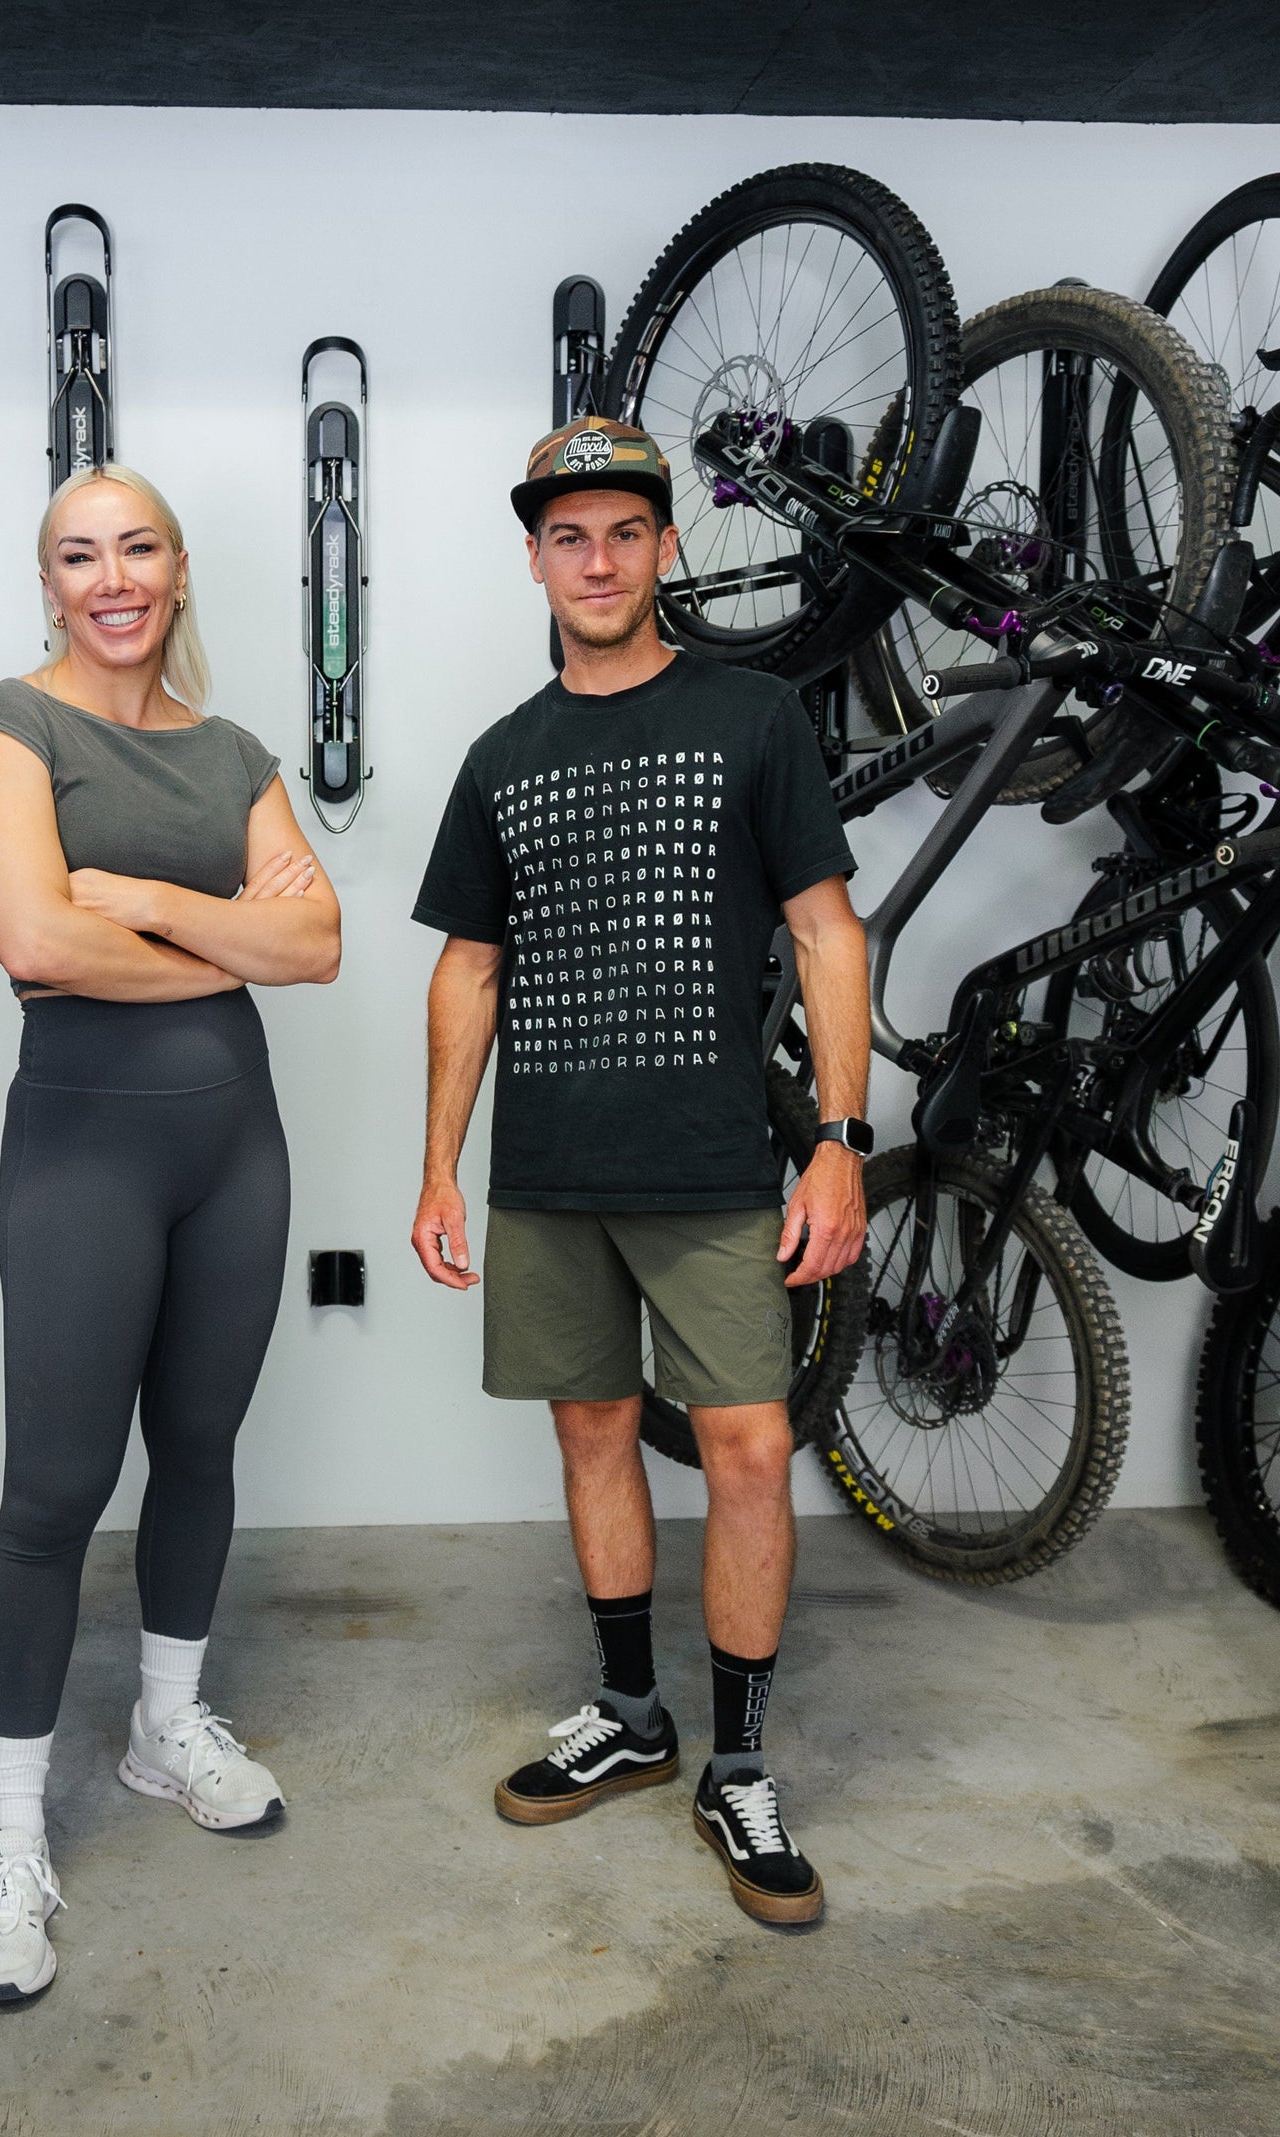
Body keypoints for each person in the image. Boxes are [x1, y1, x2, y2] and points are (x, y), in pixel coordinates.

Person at [408, 417, 871, 1926]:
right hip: (549, 1170)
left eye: (623, 531)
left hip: (717, 1166)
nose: (596, 560)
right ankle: (633, 1710)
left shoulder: (753, 719)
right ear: (535, 556)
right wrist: (439, 1167)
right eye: (566, 535)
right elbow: (469, 973)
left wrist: (842, 1141)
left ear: (668, 545)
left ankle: (739, 1762)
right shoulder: (502, 757)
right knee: (594, 1436)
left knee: (744, 1448)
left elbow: (826, 935)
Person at [0, 464, 341, 2006]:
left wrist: (136, 906)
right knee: (51, 1492)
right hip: (85, 1154)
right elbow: (33, 942)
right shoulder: (5, 728)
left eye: (138, 547)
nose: (112, 576)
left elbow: (322, 940)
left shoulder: (233, 748)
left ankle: (167, 1726)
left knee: (203, 1446)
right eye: (78, 554)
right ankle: (12, 1828)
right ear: (50, 585)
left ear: (175, 572)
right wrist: (218, 932)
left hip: (236, 1147)